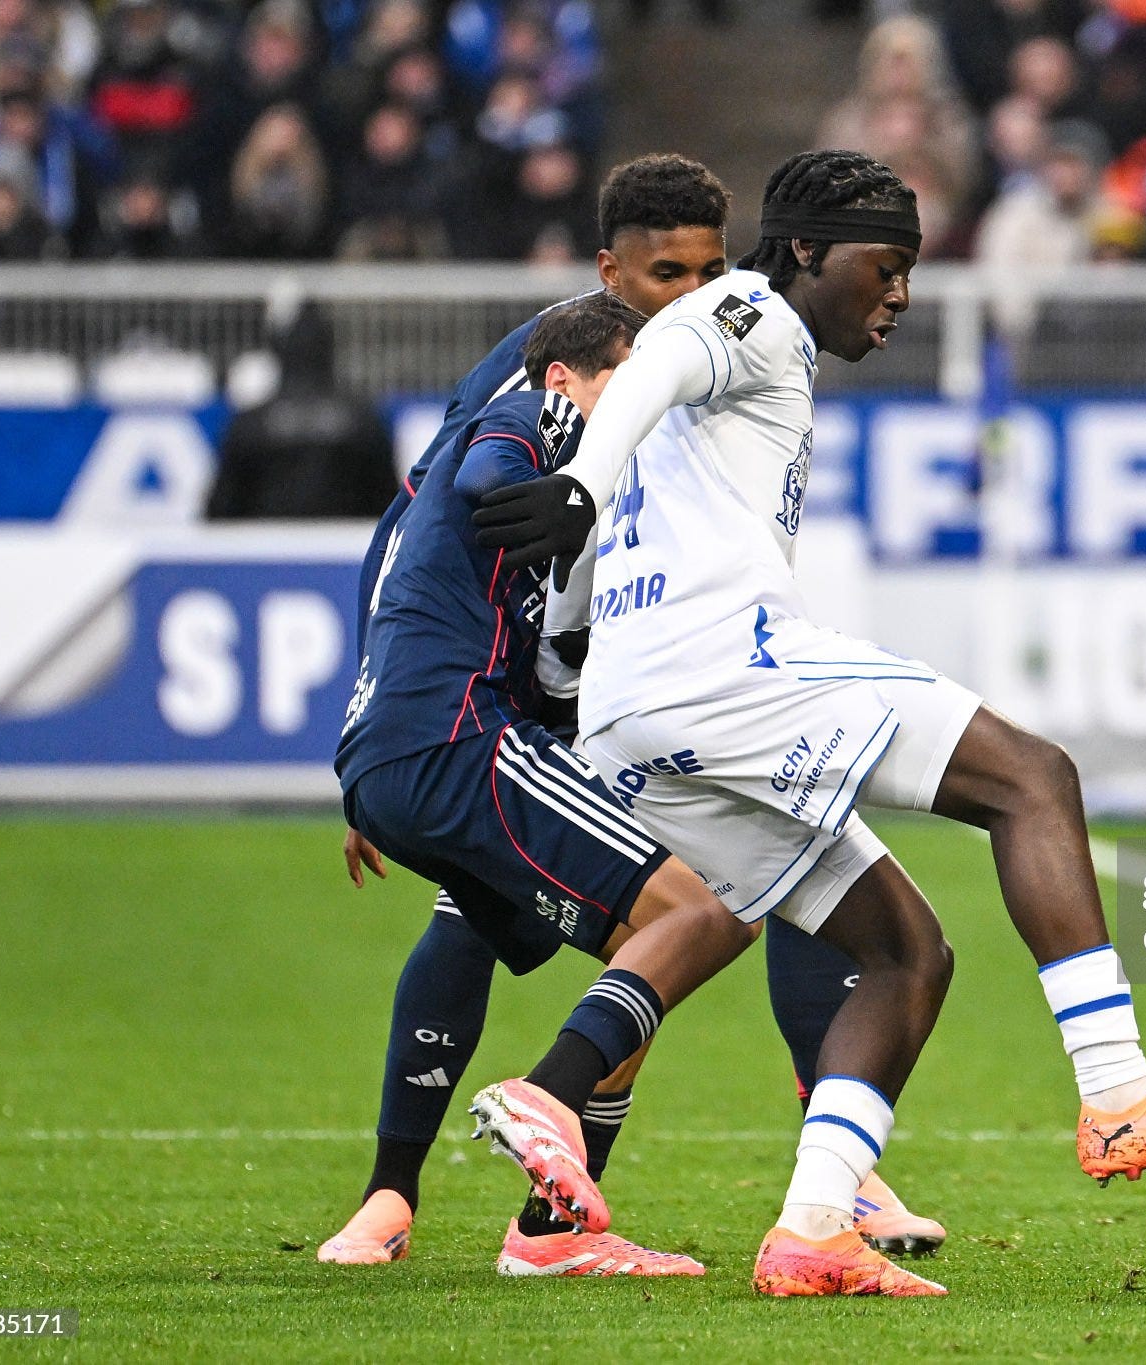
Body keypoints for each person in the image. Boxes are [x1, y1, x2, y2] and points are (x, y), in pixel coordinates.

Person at [474, 149, 1146, 1299]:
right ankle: (1115, 1092)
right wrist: (577, 487)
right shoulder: (748, 312)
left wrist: (563, 655)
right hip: (724, 666)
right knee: (1032, 779)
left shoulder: (711, 385)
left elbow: (597, 530)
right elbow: (657, 358)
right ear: (806, 250)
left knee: (905, 951)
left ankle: (812, 1229)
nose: (900, 292)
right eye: (885, 265)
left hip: (629, 715)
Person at [320, 153, 946, 1274]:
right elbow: (434, 502)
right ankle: (408, 1192)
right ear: (611, 274)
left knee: (710, 889)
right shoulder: (566, 373)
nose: (693, 295)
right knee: (713, 888)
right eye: (667, 276)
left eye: (709, 270)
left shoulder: (719, 352)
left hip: (559, 688)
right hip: (500, 706)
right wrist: (386, 703)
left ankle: (774, 1172)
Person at [336, 292, 758, 1278]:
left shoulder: (559, 461)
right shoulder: (541, 412)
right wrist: (565, 499)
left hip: (396, 749)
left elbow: (403, 547)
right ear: (566, 376)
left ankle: (520, 1221)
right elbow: (490, 471)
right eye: (626, 377)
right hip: (454, 738)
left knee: (642, 956)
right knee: (708, 912)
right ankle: (544, 1114)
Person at [204, 305, 394, 520]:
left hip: (265, 538)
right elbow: (389, 505)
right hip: (346, 538)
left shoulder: (249, 424)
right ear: (328, 350)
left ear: (280, 352)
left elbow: (220, 509)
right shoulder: (364, 421)